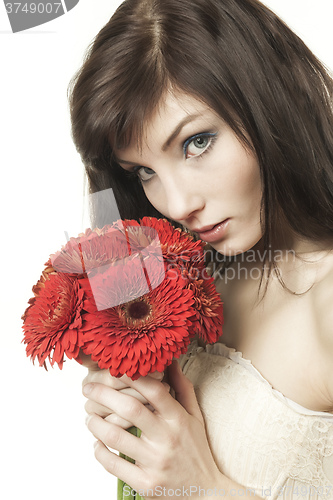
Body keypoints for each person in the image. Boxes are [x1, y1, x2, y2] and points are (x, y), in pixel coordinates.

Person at [69, 0, 333, 497]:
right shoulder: (193, 276)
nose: (177, 203)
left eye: (196, 143)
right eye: (142, 171)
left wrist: (203, 488)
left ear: (269, 98)